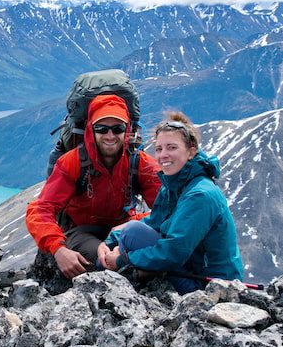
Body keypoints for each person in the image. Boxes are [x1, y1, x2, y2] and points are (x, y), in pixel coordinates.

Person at [98, 111, 243, 293]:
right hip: (188, 269)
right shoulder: (174, 186)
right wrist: (108, 243)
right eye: (159, 149)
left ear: (191, 151)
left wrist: (122, 260)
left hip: (208, 286)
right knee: (121, 240)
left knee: (131, 233)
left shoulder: (200, 195)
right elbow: (153, 223)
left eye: (172, 148)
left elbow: (174, 252)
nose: (163, 155)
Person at [26, 93, 161, 282]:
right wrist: (58, 249)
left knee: (147, 250)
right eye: (102, 128)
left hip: (122, 229)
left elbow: (168, 208)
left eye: (118, 128)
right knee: (102, 261)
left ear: (127, 129)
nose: (110, 136)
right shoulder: (72, 162)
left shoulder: (139, 163)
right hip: (82, 231)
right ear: (91, 129)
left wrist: (131, 224)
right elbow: (41, 209)